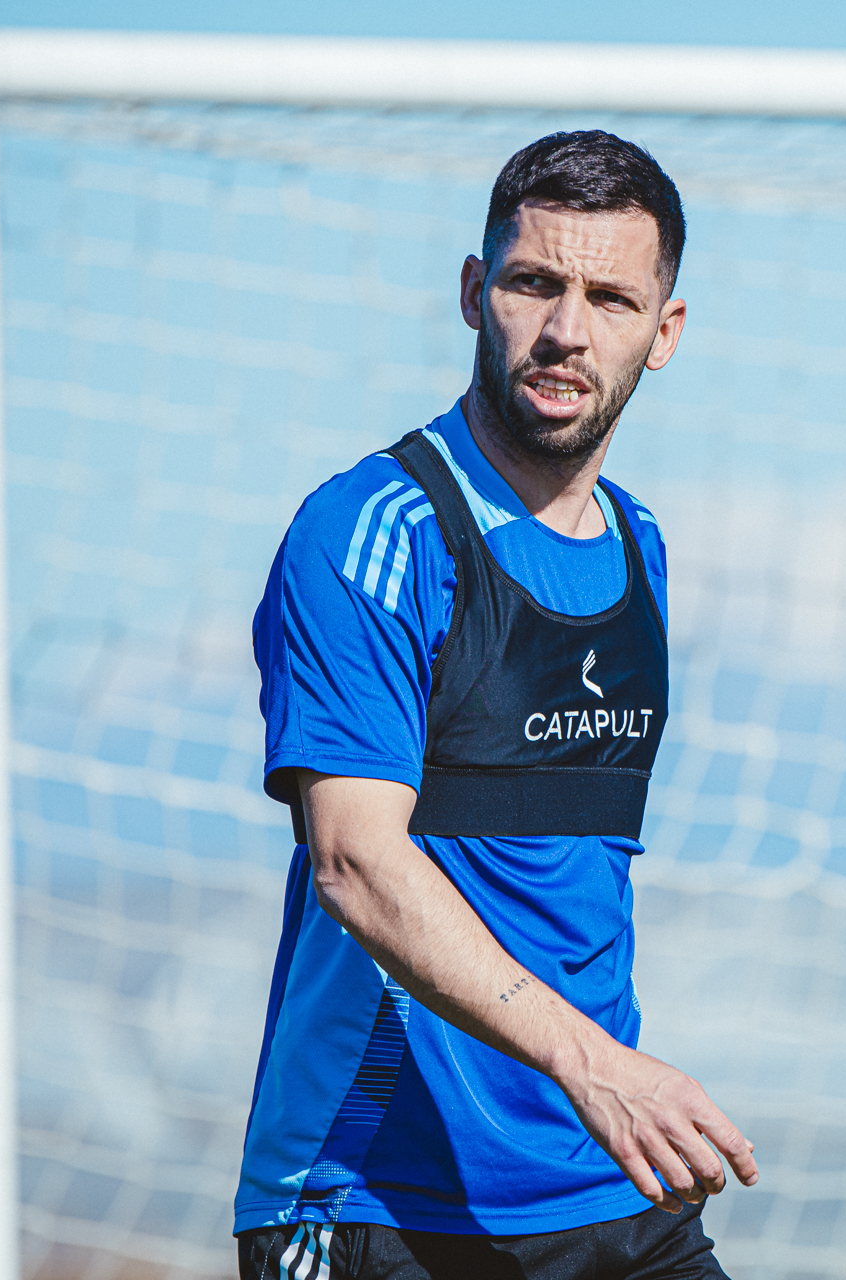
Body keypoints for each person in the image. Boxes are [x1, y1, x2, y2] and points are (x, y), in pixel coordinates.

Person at [234, 131, 758, 1280]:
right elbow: (356, 862)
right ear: (475, 291)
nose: (568, 330)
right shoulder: (372, 531)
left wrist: (602, 1084)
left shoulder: (642, 545)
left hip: (611, 1183)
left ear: (665, 331)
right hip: (378, 1203)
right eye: (534, 283)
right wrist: (596, 1065)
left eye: (611, 299)